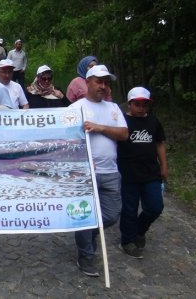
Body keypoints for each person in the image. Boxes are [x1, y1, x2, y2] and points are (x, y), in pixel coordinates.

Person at [68, 64, 128, 277]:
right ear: (88, 82)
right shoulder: (75, 108)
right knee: (85, 214)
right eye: (99, 81)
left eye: (106, 82)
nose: (103, 86)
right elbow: (65, 141)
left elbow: (123, 134)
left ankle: (88, 232)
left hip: (111, 172)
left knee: (111, 215)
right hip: (85, 172)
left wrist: (100, 127)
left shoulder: (113, 108)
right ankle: (86, 256)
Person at [117, 87, 168, 259]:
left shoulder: (153, 122)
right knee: (129, 209)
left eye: (144, 105)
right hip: (128, 174)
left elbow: (160, 143)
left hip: (150, 173)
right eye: (137, 104)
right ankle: (127, 240)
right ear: (129, 104)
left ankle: (140, 229)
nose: (140, 108)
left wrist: (164, 166)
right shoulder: (122, 122)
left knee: (155, 206)